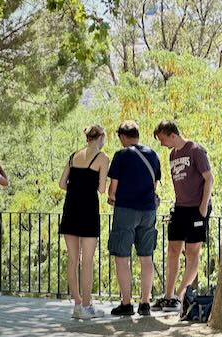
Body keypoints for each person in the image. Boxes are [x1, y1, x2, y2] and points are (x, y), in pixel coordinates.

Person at [152, 120, 214, 315]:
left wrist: (203, 206)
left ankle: (181, 295)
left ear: (172, 135)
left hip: (197, 208)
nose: (162, 144)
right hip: (180, 208)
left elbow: (209, 178)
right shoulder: (173, 154)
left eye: (163, 139)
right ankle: (168, 295)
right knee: (173, 249)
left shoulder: (195, 150)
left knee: (192, 252)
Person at [107, 120, 161, 317]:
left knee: (122, 257)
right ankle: (145, 303)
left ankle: (126, 303)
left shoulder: (121, 155)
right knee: (146, 257)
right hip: (148, 211)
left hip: (126, 210)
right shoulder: (153, 154)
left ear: (122, 136)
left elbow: (113, 186)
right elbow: (154, 184)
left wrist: (111, 198)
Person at [58, 125, 110, 319]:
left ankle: (77, 304)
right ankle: (87, 306)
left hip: (70, 209)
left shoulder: (73, 156)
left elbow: (62, 184)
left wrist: (76, 187)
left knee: (73, 260)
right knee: (86, 262)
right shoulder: (102, 158)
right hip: (88, 211)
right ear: (101, 137)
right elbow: (102, 189)